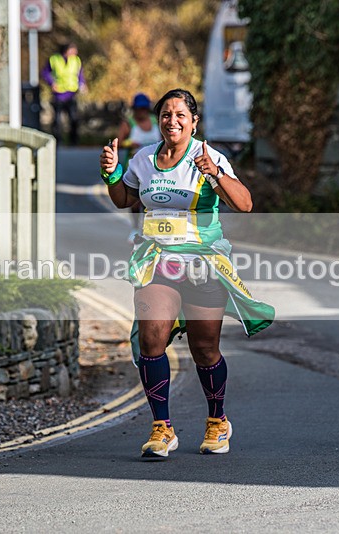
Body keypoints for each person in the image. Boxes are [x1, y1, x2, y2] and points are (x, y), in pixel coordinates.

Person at [99, 88, 274, 459]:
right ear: (159, 120)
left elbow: (244, 204)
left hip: (203, 265)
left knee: (204, 349)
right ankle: (161, 428)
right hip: (157, 262)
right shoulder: (144, 158)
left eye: (180, 115)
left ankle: (217, 420)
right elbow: (125, 199)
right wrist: (112, 173)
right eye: (166, 114)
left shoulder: (209, 157)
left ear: (194, 121)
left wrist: (215, 174)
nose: (172, 121)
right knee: (151, 340)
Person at [117, 93, 162, 242]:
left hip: (154, 166)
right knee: (135, 201)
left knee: (152, 198)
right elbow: (118, 142)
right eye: (138, 109)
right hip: (135, 167)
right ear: (134, 109)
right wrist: (129, 143)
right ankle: (136, 228)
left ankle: (151, 230)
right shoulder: (128, 123)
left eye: (144, 109)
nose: (141, 112)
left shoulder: (156, 122)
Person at [41, 42, 87, 145]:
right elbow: (45, 73)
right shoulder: (54, 59)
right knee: (57, 120)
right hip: (59, 94)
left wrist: (82, 84)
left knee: (74, 118)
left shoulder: (76, 60)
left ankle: (73, 142)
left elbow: (79, 75)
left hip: (72, 93)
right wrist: (52, 83)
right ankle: (58, 141)